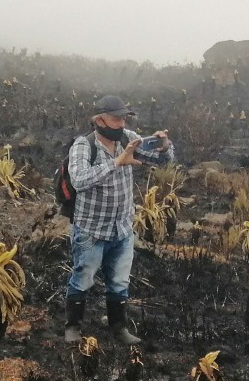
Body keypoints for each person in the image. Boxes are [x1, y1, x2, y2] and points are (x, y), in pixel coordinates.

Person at [62, 95, 175, 345]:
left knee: (120, 280)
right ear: (98, 119)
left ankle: (118, 327)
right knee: (84, 276)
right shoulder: (84, 145)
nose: (121, 123)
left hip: (122, 228)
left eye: (124, 117)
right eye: (115, 118)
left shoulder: (127, 138)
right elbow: (79, 179)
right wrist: (117, 162)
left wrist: (164, 146)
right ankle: (73, 327)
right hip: (91, 228)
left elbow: (161, 161)